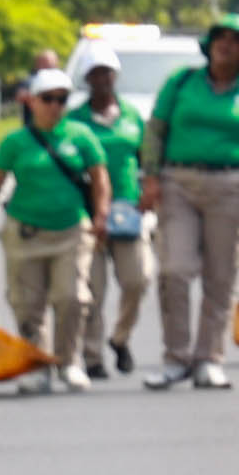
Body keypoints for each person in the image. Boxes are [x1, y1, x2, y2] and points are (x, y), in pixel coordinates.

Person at [144, 16, 239, 390]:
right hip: (179, 183)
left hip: (233, 186)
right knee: (175, 269)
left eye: (236, 41)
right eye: (221, 37)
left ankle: (208, 358)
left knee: (221, 278)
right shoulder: (182, 82)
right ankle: (175, 356)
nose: (226, 45)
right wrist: (150, 178)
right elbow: (155, 130)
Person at [0, 65, 120, 394]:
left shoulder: (81, 136)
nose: (55, 106)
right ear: (32, 101)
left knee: (72, 298)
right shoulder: (15, 142)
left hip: (70, 231)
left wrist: (101, 215)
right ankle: (37, 364)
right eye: (48, 99)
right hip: (25, 232)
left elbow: (100, 179)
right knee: (27, 303)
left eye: (62, 99)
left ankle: (68, 361)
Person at [75, 45, 149, 384]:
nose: (102, 80)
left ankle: (119, 338)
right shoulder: (75, 120)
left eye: (107, 73)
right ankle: (92, 356)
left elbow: (146, 159)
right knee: (93, 290)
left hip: (128, 210)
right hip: (88, 215)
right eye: (95, 74)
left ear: (115, 76)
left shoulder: (132, 116)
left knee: (137, 279)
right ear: (87, 79)